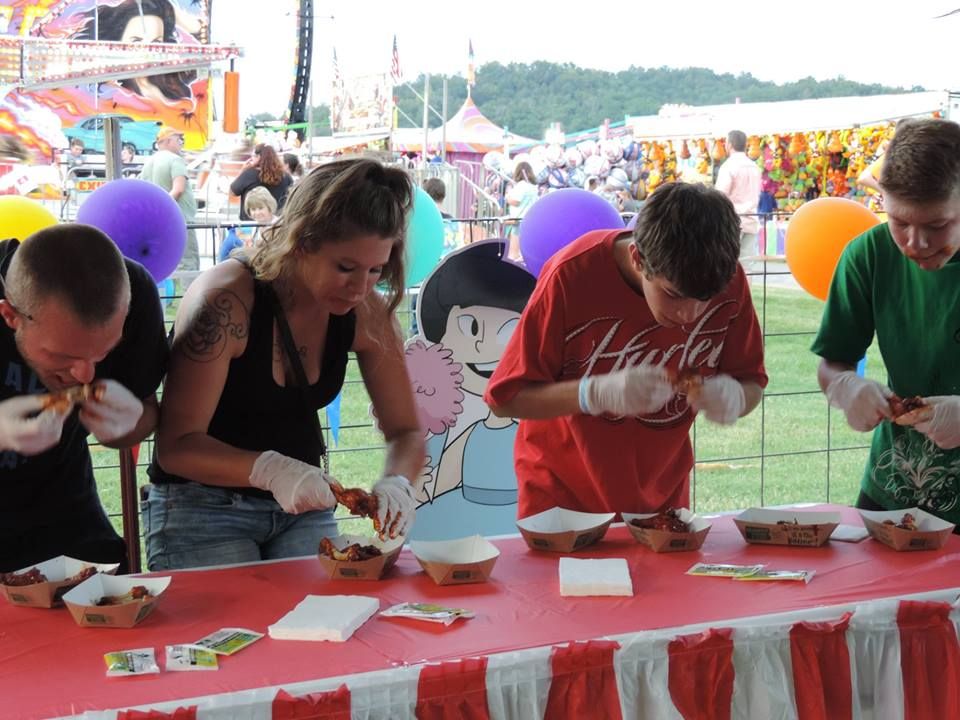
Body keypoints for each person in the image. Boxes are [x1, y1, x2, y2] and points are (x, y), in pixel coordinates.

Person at [145, 158, 425, 570]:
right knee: (232, 631)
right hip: (201, 506)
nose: (359, 287)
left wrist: (397, 482)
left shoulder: (367, 311)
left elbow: (406, 431)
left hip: (301, 509)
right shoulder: (227, 301)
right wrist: (270, 470)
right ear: (301, 241)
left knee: (330, 620)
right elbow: (176, 447)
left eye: (375, 270)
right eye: (345, 267)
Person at [484, 182, 767, 518]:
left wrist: (736, 397)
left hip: (663, 496)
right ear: (637, 258)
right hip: (564, 497)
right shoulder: (571, 275)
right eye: (674, 295)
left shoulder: (724, 277)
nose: (689, 315)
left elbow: (751, 383)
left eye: (705, 301)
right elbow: (504, 400)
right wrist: (593, 393)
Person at [811, 118, 960, 526]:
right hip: (893, 489)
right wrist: (845, 386)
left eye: (936, 225)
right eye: (899, 222)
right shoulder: (868, 256)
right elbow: (833, 362)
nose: (915, 243)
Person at [0, 224, 168, 573]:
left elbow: (145, 416)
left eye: (103, 352)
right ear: (10, 316)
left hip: (64, 512)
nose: (85, 375)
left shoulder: (133, 290)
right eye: (63, 356)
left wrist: (128, 421)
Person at [73, 0, 195, 103]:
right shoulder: (109, 92)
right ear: (116, 42)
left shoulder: (173, 85)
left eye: (156, 44)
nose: (147, 53)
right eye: (136, 43)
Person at [139, 125, 199, 272]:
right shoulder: (175, 160)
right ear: (168, 141)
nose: (181, 143)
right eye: (179, 139)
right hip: (181, 219)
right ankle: (188, 295)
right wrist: (164, 206)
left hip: (159, 223)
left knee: (165, 263)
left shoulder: (148, 162)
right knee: (188, 262)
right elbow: (178, 189)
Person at [715, 130, 762, 259]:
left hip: (733, 221)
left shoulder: (728, 166)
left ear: (729, 145)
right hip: (752, 219)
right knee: (747, 265)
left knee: (728, 262)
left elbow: (720, 196)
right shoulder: (754, 167)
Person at [230, 143, 293, 221]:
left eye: (253, 156)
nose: (251, 158)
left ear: (258, 157)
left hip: (250, 222)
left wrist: (242, 171)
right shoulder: (286, 177)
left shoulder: (248, 174)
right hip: (275, 223)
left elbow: (233, 192)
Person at [504, 161, 538, 261]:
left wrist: (507, 197)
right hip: (529, 219)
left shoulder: (521, 185)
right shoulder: (533, 187)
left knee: (513, 253)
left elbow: (516, 201)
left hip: (517, 221)